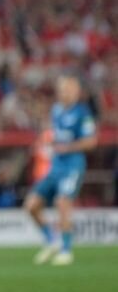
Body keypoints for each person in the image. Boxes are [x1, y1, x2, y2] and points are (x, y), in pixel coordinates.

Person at [24, 75, 97, 266]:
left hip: (73, 166)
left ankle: (66, 250)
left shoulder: (83, 113)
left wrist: (68, 147)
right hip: (55, 166)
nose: (65, 92)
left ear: (77, 92)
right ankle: (52, 240)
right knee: (31, 205)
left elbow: (91, 142)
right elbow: (54, 134)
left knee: (62, 202)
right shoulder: (56, 110)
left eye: (69, 89)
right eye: (63, 89)